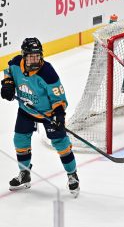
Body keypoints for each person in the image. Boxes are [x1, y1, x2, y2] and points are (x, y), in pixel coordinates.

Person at [1, 38, 80, 197]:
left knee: (61, 144)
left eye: (37, 56)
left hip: (48, 113)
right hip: (26, 110)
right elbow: (8, 71)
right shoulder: (16, 63)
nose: (35, 60)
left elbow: (59, 97)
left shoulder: (48, 73)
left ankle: (72, 175)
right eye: (31, 56)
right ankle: (25, 173)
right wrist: (8, 84)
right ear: (24, 55)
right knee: (20, 140)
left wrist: (59, 115)